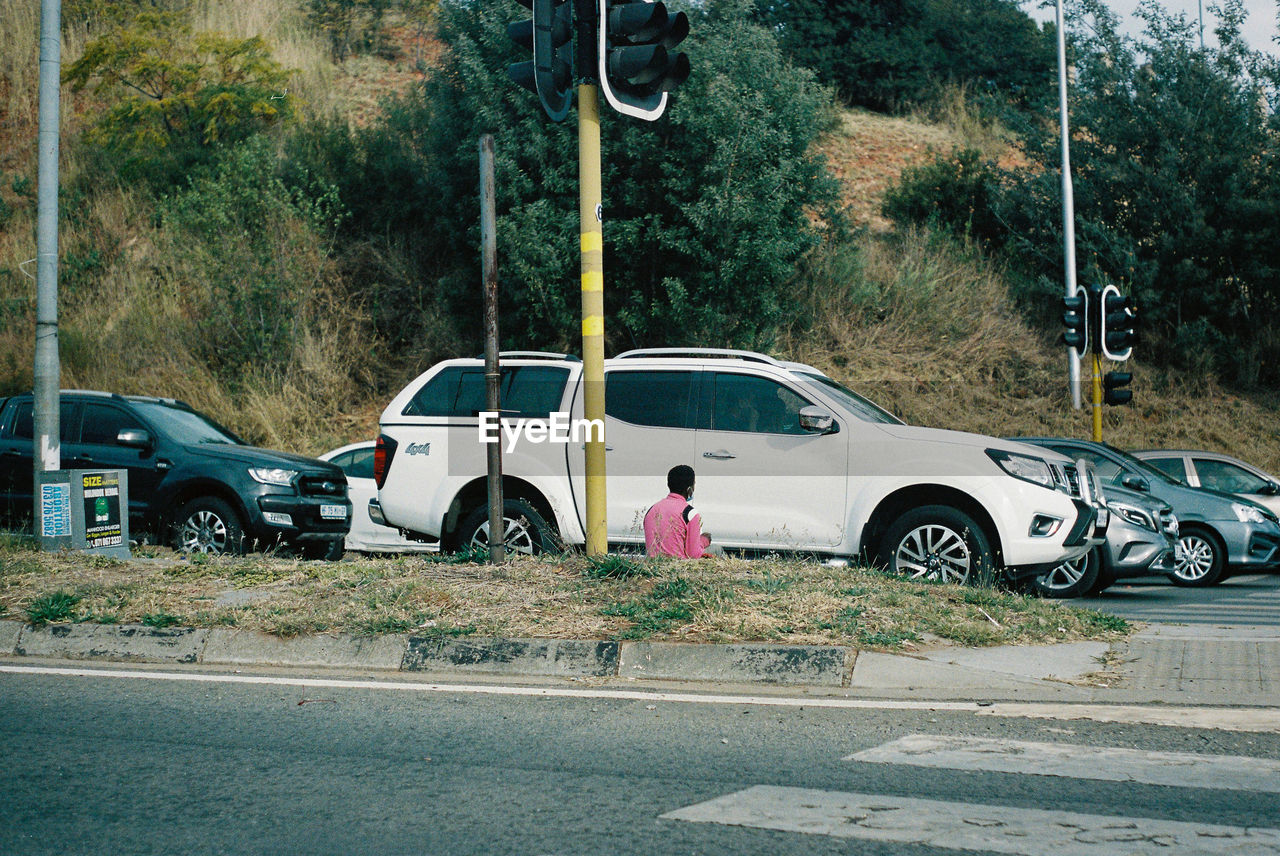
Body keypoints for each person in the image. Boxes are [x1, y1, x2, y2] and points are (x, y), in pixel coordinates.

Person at [643, 464, 712, 559]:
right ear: (689, 489)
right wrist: (704, 541)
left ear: (668, 484)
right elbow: (693, 554)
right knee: (717, 549)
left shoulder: (652, 510)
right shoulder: (690, 513)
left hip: (653, 565)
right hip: (678, 567)